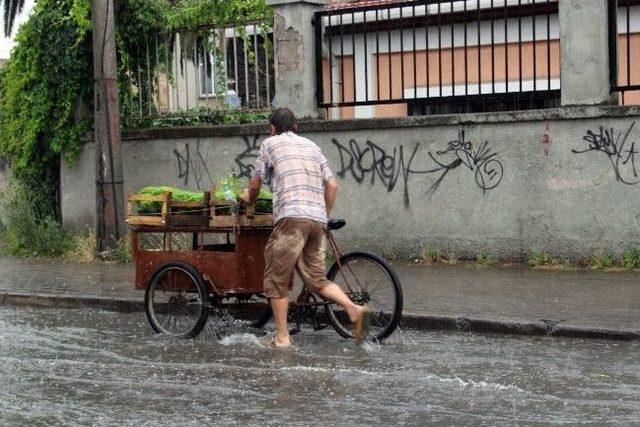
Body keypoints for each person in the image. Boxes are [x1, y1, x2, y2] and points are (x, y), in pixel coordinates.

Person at [240, 108, 371, 348]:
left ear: (272, 128)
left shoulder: (269, 144)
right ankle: (354, 309)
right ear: (296, 127)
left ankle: (282, 337)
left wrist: (248, 197)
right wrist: (323, 215)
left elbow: (256, 183)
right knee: (317, 280)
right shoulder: (313, 146)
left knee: (276, 279)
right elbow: (332, 185)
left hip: (291, 218)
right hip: (317, 220)